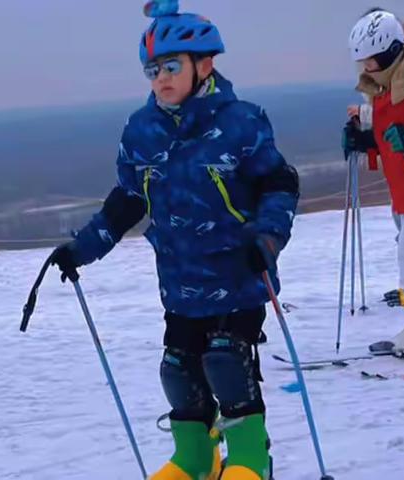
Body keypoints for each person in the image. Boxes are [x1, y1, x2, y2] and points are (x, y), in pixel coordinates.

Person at [51, 1, 299, 478]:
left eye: (170, 66)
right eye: (151, 69)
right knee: (179, 370)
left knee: (227, 363)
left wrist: (268, 238)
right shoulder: (142, 130)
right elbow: (127, 201)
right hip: (180, 283)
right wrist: (82, 248)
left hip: (239, 275)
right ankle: (196, 456)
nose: (160, 78)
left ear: (204, 65)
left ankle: (250, 458)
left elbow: (279, 183)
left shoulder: (241, 121)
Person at [344, 8, 404, 308]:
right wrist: (367, 139)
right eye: (364, 60)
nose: (367, 67)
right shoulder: (386, 84)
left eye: (372, 59)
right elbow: (391, 124)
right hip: (403, 189)